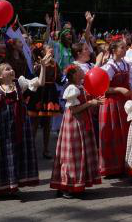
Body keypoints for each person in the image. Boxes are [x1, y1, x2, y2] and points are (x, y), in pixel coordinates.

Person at [0, 59, 45, 197]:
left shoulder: (19, 84)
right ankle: (2, 187)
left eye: (11, 68)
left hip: (21, 125)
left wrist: (43, 67)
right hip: (4, 129)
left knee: (18, 154)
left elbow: (40, 83)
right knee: (5, 155)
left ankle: (14, 186)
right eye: (7, 69)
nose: (11, 70)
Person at [50, 65, 103, 197]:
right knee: (72, 154)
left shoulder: (80, 87)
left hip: (82, 121)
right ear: (74, 75)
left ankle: (76, 184)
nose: (83, 72)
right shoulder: (71, 88)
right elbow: (74, 110)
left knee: (80, 153)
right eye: (80, 70)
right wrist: (91, 103)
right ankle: (67, 186)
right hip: (74, 123)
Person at [99, 39, 132, 176]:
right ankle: (110, 167)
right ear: (114, 51)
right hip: (111, 103)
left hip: (123, 103)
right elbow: (103, 88)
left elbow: (129, 82)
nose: (125, 50)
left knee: (123, 133)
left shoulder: (125, 64)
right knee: (111, 132)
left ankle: (122, 165)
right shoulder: (109, 66)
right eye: (122, 48)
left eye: (125, 47)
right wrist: (119, 89)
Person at [26, 44, 61, 159]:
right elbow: (34, 76)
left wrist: (68, 75)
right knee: (35, 122)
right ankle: (30, 149)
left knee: (47, 123)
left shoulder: (55, 64)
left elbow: (59, 78)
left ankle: (46, 149)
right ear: (43, 52)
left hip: (50, 94)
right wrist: (42, 65)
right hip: (39, 94)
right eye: (48, 48)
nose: (51, 49)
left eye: (51, 49)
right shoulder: (39, 63)